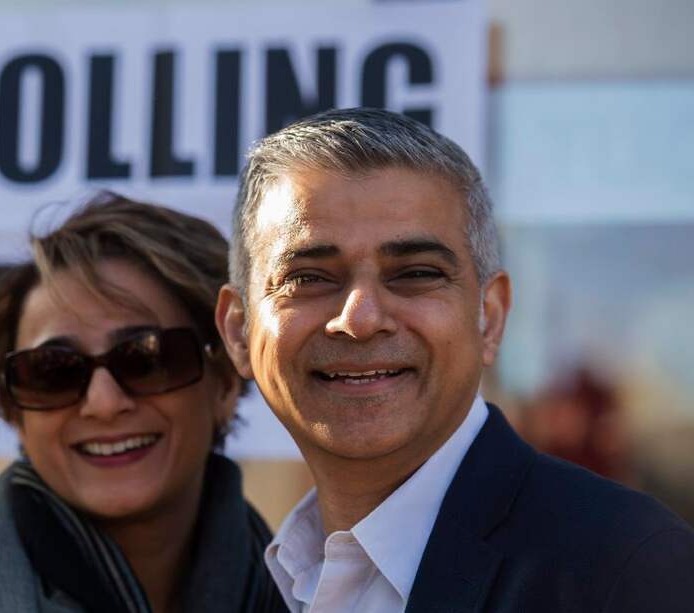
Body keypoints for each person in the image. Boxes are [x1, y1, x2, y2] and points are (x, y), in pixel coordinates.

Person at [215, 108, 694, 612]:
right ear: (239, 331)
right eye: (310, 277)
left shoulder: (623, 568)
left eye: (415, 273)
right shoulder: (255, 588)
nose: (359, 319)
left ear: (489, 316)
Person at [0, 193, 287, 613]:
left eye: (147, 359)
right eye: (53, 370)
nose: (103, 403)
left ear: (225, 383)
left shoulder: (320, 599)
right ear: (13, 409)